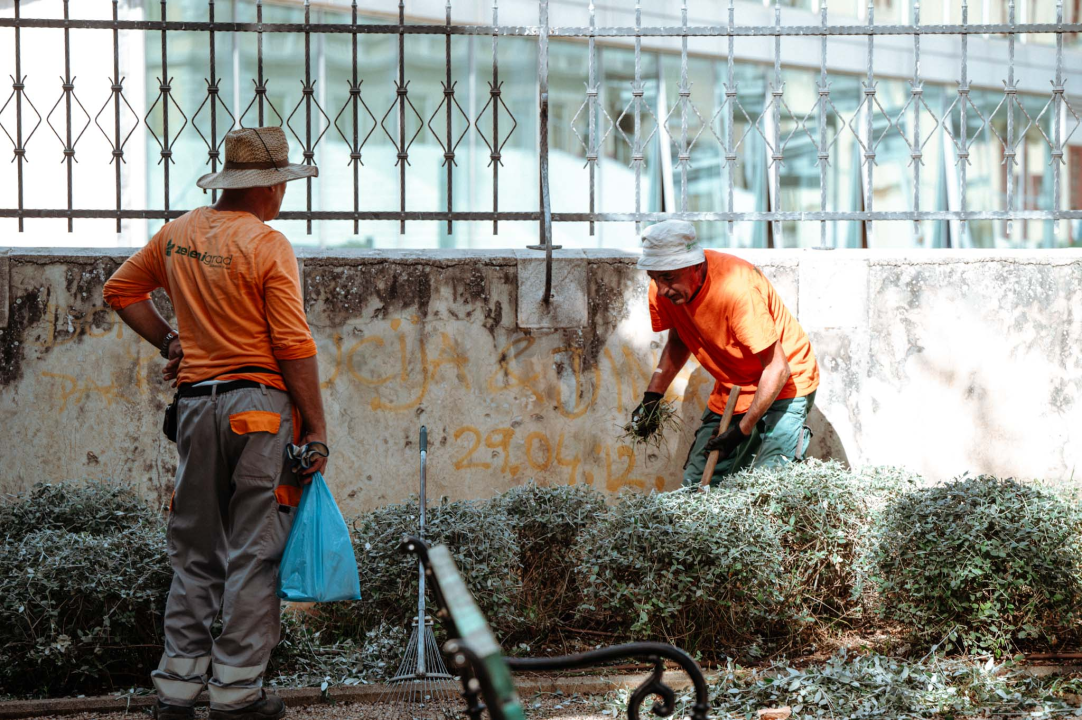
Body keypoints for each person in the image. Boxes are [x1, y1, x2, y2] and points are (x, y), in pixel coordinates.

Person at [103, 127, 327, 720]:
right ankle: (236, 694)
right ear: (272, 186)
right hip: (258, 412)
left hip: (197, 410)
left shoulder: (177, 235)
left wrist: (169, 340)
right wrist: (315, 427)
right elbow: (291, 342)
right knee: (254, 552)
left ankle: (175, 693)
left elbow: (120, 290)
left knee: (195, 550)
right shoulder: (267, 243)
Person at [628, 220, 819, 487]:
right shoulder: (666, 289)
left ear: (695, 265)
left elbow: (777, 369)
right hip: (734, 384)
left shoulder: (737, 289)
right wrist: (653, 396)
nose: (661, 290)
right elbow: (680, 337)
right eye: (654, 278)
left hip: (784, 380)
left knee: (772, 484)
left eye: (668, 278)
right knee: (697, 483)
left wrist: (741, 431)